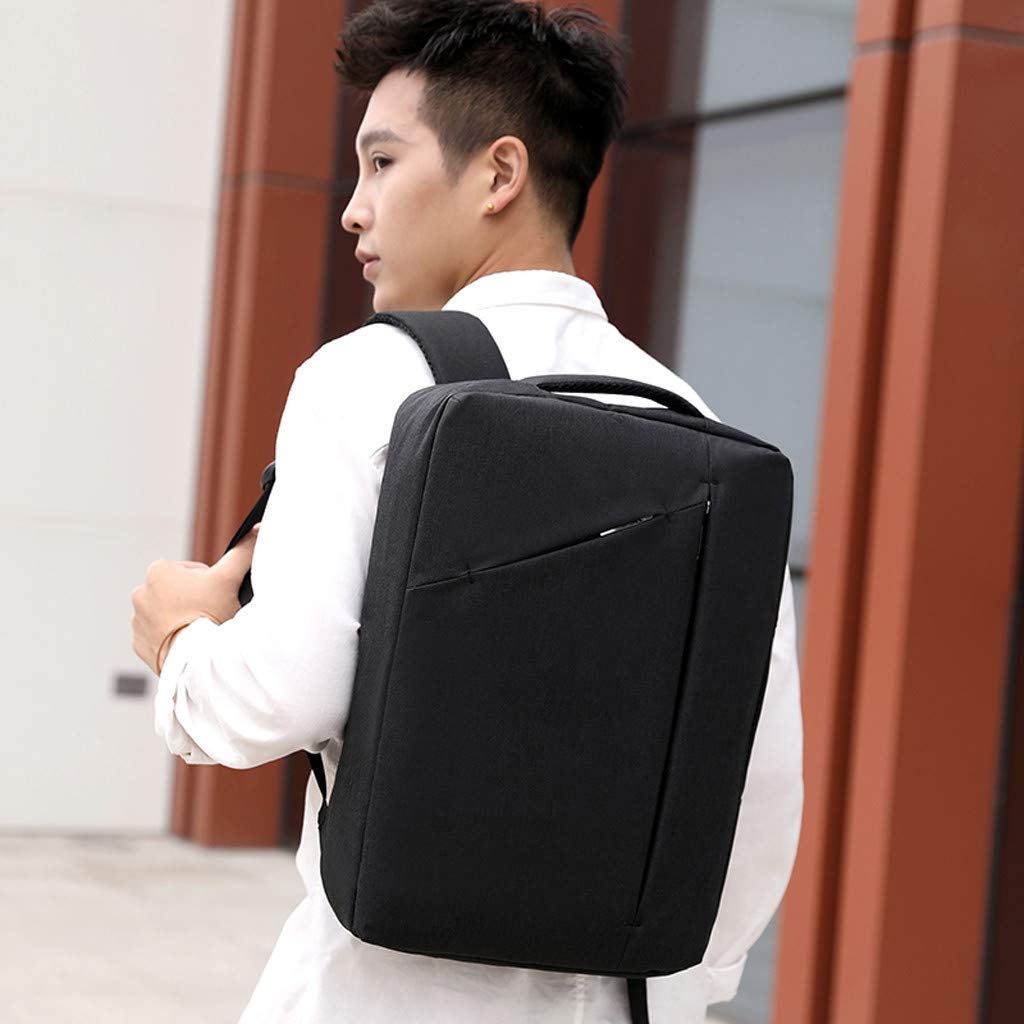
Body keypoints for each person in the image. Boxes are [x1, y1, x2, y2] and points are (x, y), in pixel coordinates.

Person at [130, 1, 804, 1021]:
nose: (353, 209)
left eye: (382, 163)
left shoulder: (369, 378)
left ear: (499, 174)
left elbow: (274, 696)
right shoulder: (700, 429)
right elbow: (757, 777)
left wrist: (181, 634)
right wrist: (678, 991)